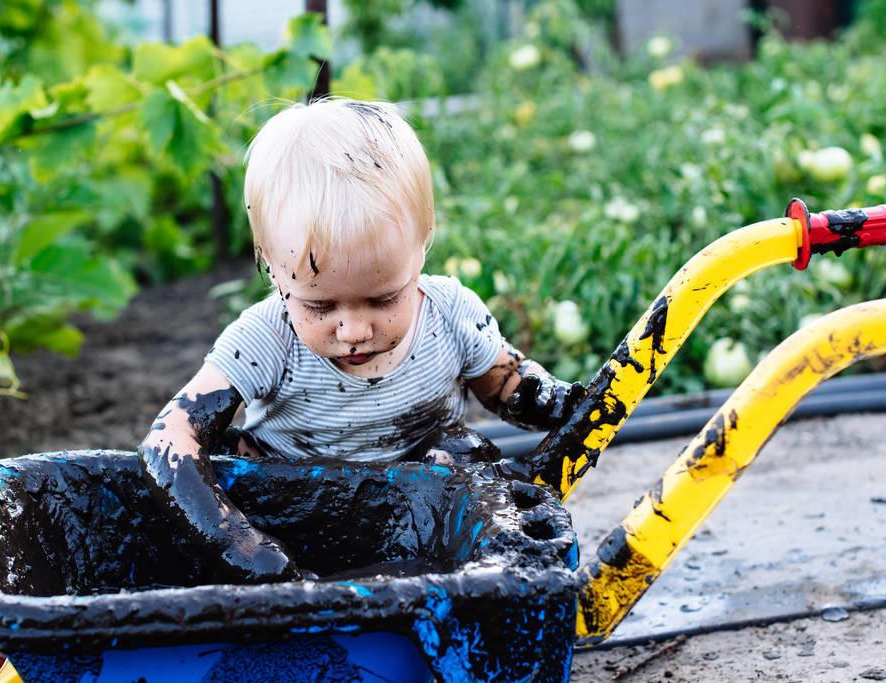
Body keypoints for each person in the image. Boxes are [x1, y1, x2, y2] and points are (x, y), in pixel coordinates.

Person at [137, 97, 583, 583]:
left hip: (413, 515)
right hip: (294, 509)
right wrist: (236, 542)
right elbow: (168, 439)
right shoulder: (266, 337)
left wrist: (554, 400)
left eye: (384, 298)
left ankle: (463, 579)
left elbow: (506, 385)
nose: (353, 330)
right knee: (226, 460)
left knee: (465, 452)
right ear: (269, 261)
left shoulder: (450, 315)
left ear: (422, 242)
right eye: (320, 307)